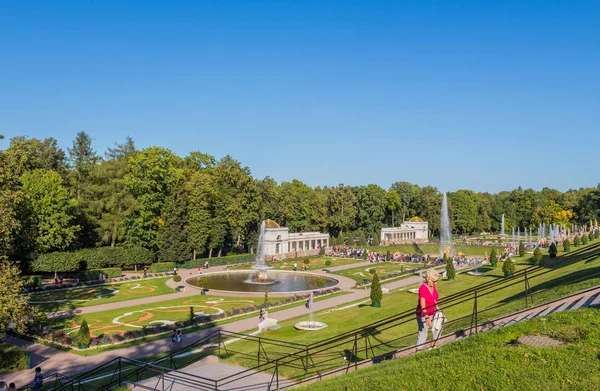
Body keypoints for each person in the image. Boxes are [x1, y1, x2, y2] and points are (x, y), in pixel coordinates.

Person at [415, 269, 441, 352]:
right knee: (423, 332)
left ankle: (432, 346)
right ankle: (418, 351)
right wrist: (426, 317)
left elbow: (435, 297)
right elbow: (423, 304)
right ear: (429, 280)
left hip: (433, 311)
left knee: (438, 327)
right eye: (434, 281)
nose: (435, 283)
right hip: (423, 313)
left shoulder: (433, 285)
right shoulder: (423, 288)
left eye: (436, 281)